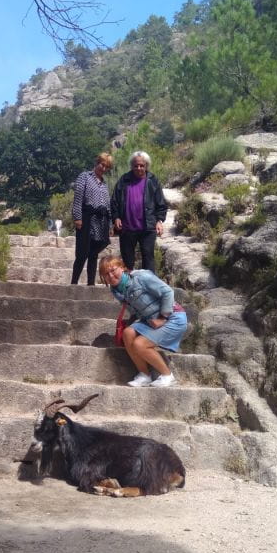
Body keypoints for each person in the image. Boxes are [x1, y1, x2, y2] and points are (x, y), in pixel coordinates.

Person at [98, 255, 187, 388]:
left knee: (140, 344)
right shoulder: (116, 290)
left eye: (113, 270)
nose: (110, 276)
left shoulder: (141, 277)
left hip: (173, 317)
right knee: (128, 333)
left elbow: (168, 292)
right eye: (106, 273)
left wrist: (162, 318)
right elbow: (135, 310)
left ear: (122, 268)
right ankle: (144, 375)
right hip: (150, 319)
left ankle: (167, 375)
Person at [110, 150, 168, 273]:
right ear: (132, 166)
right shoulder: (124, 180)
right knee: (127, 263)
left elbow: (161, 203)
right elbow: (114, 201)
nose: (139, 168)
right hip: (126, 228)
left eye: (142, 165)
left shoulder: (153, 181)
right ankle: (129, 289)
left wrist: (159, 221)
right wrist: (116, 218)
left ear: (146, 165)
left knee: (148, 260)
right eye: (136, 165)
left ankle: (149, 289)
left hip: (147, 228)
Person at [70, 152, 114, 285]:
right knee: (82, 253)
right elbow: (77, 199)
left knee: (93, 254)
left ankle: (90, 284)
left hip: (100, 223)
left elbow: (107, 205)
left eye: (107, 167)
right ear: (97, 162)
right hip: (86, 218)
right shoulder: (85, 177)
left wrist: (110, 224)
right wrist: (77, 217)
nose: (104, 168)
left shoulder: (105, 184)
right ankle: (73, 283)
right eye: (102, 164)